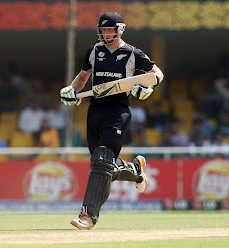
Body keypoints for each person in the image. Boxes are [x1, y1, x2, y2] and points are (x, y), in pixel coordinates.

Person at [60, 12, 164, 230]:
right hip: (95, 110)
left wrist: (147, 88)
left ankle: (88, 216)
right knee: (103, 164)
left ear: (119, 30)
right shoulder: (94, 51)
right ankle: (135, 169)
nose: (106, 34)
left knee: (101, 160)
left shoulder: (132, 53)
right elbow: (82, 78)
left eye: (110, 30)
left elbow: (157, 73)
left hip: (118, 112)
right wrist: (71, 90)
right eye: (103, 30)